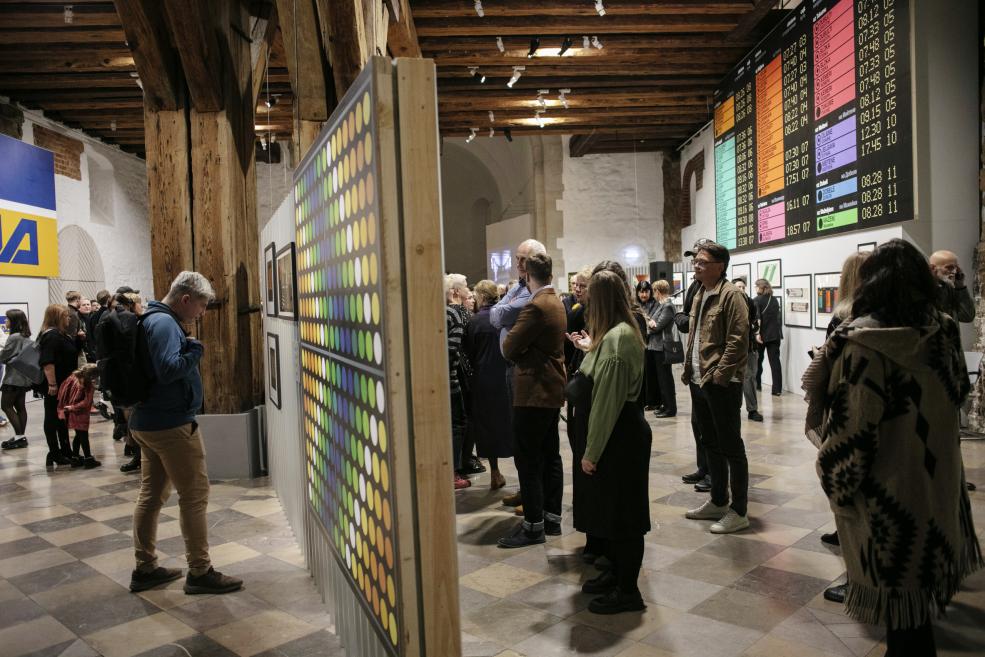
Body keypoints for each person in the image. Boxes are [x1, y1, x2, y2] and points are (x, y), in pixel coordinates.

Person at [815, 239, 982, 657]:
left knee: (901, 612)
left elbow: (852, 434)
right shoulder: (943, 331)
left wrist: (835, 482)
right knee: (920, 601)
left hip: (889, 496)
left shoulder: (862, 344)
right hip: (939, 482)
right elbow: (960, 392)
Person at [128, 271, 243, 595]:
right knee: (194, 496)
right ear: (186, 300)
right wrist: (195, 351)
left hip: (148, 422)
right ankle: (200, 571)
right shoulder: (164, 324)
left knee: (151, 496)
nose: (202, 314)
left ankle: (145, 567)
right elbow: (167, 369)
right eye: (201, 306)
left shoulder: (151, 318)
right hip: (171, 425)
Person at [567, 270, 651, 615]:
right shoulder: (612, 335)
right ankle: (616, 575)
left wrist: (591, 451)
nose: (583, 303)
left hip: (620, 436)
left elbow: (607, 403)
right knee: (612, 512)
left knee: (625, 516)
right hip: (619, 434)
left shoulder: (618, 339)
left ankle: (628, 591)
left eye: (589, 299)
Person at [802, 250, 870, 605]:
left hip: (851, 416)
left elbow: (832, 370)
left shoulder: (847, 319)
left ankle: (861, 575)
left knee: (847, 485)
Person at [681, 241, 751, 534]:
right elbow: (695, 334)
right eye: (695, 262)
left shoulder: (731, 295)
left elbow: (738, 339)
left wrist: (721, 375)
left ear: (719, 266)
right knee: (709, 441)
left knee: (731, 445)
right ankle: (718, 500)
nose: (696, 266)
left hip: (720, 383)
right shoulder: (699, 293)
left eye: (702, 262)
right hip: (699, 380)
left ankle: (739, 511)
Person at [498, 253, 566, 548]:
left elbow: (509, 348)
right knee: (551, 456)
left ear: (527, 275)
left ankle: (533, 526)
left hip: (534, 391)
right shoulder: (556, 300)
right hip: (551, 388)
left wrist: (518, 348)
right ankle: (551, 519)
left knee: (528, 459)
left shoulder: (535, 306)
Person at [491, 238, 548, 511]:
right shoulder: (519, 288)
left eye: (523, 259)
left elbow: (500, 315)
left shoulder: (533, 296)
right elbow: (496, 312)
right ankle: (526, 490)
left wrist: (502, 311)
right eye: (517, 258)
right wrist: (502, 310)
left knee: (530, 439)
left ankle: (535, 497)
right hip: (512, 368)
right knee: (518, 434)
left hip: (526, 371)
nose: (518, 264)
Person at [463, 280, 512, 489]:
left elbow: (468, 352)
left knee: (488, 428)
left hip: (483, 381)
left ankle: (495, 472)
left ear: (481, 297)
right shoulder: (506, 319)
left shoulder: (474, 322)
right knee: (512, 424)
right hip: (507, 378)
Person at [98, 292, 144, 472]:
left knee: (130, 414)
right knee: (136, 415)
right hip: (134, 375)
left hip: (118, 376)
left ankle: (135, 451)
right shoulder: (134, 320)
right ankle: (139, 454)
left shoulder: (107, 319)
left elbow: (102, 350)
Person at [38, 304, 81, 467]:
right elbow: (47, 362)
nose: (69, 318)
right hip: (55, 385)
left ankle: (65, 450)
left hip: (64, 384)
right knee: (52, 417)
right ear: (57, 318)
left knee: (61, 417)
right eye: (66, 316)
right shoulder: (52, 336)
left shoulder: (61, 334)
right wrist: (52, 384)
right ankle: (55, 452)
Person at [445, 273, 474, 489]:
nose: (469, 290)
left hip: (448, 378)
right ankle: (454, 471)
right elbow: (453, 349)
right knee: (458, 424)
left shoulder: (443, 312)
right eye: (465, 286)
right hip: (453, 379)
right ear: (455, 292)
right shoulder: (456, 314)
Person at [0, 309, 35, 450]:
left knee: (6, 406)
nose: (5, 322)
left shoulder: (14, 337)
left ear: (13, 321)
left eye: (7, 319)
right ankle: (20, 436)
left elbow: (4, 355)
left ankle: (20, 437)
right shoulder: (25, 335)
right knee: (20, 407)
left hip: (13, 378)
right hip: (24, 377)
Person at [57, 363, 100, 468]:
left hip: (70, 411)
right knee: (83, 435)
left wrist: (66, 407)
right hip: (80, 412)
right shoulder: (88, 384)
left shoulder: (72, 378)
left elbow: (62, 393)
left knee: (78, 435)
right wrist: (74, 407)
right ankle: (88, 459)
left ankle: (75, 458)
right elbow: (87, 402)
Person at [732, 278, 763, 422]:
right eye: (739, 287)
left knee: (749, 378)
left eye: (744, 287)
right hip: (732, 349)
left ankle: (752, 409)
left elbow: (756, 324)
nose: (742, 289)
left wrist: (753, 329)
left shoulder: (751, 303)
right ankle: (732, 409)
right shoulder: (728, 303)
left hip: (749, 348)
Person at [650, 280, 678, 418]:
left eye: (654, 291)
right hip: (657, 346)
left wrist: (649, 323)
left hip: (663, 346)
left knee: (665, 379)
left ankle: (670, 408)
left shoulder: (667, 306)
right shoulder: (662, 305)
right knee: (662, 379)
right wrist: (650, 322)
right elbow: (652, 321)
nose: (653, 294)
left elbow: (657, 326)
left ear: (657, 291)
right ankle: (665, 405)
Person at [754, 279, 782, 395]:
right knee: (775, 363)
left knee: (758, 361)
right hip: (775, 336)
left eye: (756, 286)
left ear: (760, 287)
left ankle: (757, 385)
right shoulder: (774, 300)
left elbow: (758, 319)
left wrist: (757, 333)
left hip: (762, 336)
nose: (755, 288)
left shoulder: (756, 300)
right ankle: (777, 390)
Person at [929, 249, 975, 323]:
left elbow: (967, 317)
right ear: (933, 268)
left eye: (956, 268)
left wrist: (960, 287)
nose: (954, 272)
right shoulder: (922, 289)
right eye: (949, 267)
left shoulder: (950, 289)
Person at [636, 280, 661, 411]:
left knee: (652, 374)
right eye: (641, 291)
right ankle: (645, 400)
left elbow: (654, 323)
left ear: (650, 292)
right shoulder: (636, 305)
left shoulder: (655, 304)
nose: (643, 294)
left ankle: (654, 401)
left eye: (646, 291)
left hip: (651, 343)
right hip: (639, 343)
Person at [564, 267, 590, 376]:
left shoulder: (601, 311)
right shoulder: (577, 312)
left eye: (582, 286)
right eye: (576, 285)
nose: (577, 289)